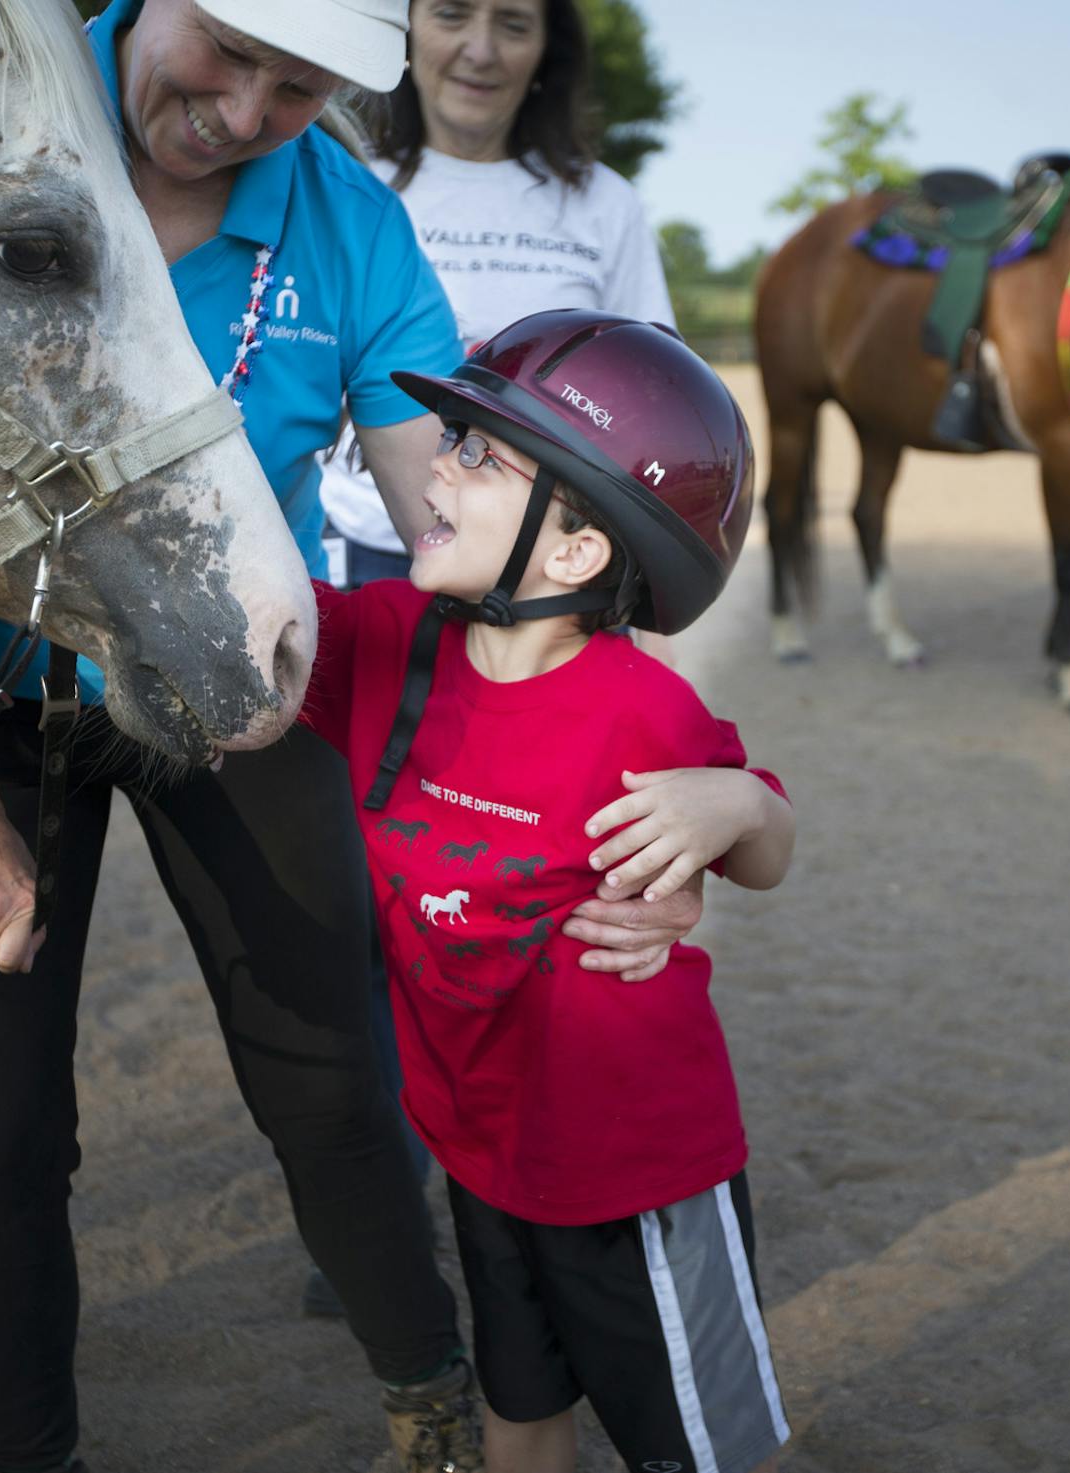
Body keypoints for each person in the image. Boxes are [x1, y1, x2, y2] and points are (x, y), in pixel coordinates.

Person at [0, 3, 708, 1469]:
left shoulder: (349, 224)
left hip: (229, 686)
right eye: (223, 54)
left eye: (297, 88)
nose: (238, 112)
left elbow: (450, 521)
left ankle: (427, 1395)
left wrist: (615, 771)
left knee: (334, 1077)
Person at [300, 309, 793, 1473]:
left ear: (575, 552)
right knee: (522, 1410)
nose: (436, 464)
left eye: (479, 454)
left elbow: (764, 847)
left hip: (633, 1168)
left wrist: (745, 808)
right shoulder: (388, 642)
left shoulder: (638, 710)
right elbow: (237, 621)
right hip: (481, 1145)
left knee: (692, 1448)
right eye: (454, 437)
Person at [315, 0, 673, 587]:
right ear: (404, 29)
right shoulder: (345, 184)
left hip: (546, 576)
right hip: (366, 551)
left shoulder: (604, 203)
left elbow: (650, 400)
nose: (480, 50)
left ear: (544, 52)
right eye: (452, 14)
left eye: (512, 23)